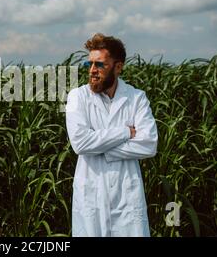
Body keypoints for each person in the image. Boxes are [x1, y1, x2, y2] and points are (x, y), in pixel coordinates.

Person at [65, 33, 158, 237]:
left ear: (118, 67)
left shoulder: (136, 98)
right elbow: (80, 144)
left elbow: (149, 145)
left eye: (100, 65)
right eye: (90, 64)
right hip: (92, 195)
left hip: (127, 196)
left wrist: (102, 149)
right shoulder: (78, 97)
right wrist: (125, 132)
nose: (92, 71)